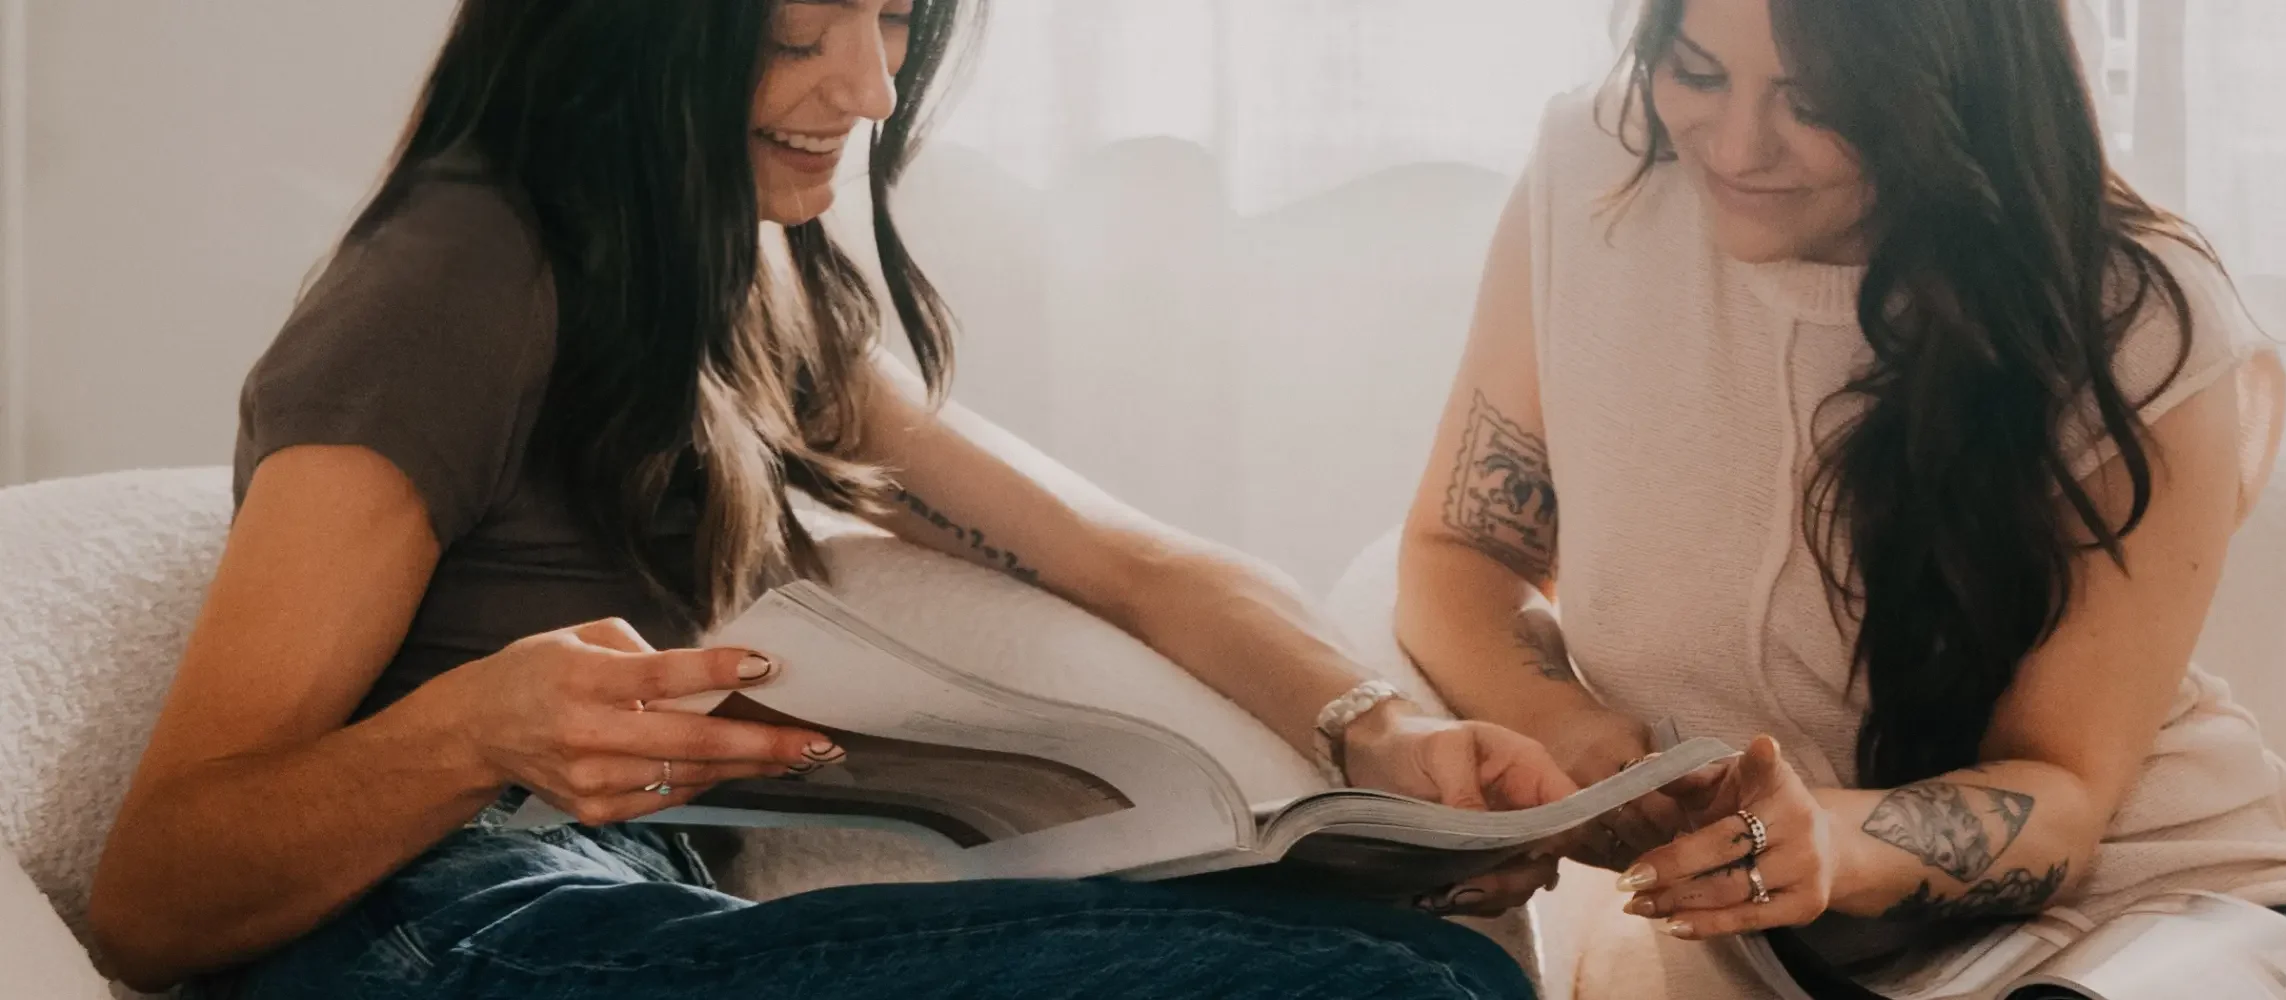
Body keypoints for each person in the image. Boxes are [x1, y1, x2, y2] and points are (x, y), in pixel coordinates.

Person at [84, 2, 1578, 997]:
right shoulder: (453, 281)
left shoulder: (735, 267)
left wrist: (1381, 735)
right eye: (804, 25)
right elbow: (157, 890)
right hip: (446, 931)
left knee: (1429, 959)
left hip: (634, 909)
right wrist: (474, 727)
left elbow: (1124, 561)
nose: (866, 87)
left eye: (894, 17)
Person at [1394, 0, 2286, 997]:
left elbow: (2065, 796)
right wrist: (1565, 727)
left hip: (2178, 917)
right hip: (1804, 964)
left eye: (1816, 102)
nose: (1736, 142)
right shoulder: (1597, 174)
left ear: (1951, 90)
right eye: (1696, 71)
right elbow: (1460, 553)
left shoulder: (2133, 323)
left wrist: (1830, 843)